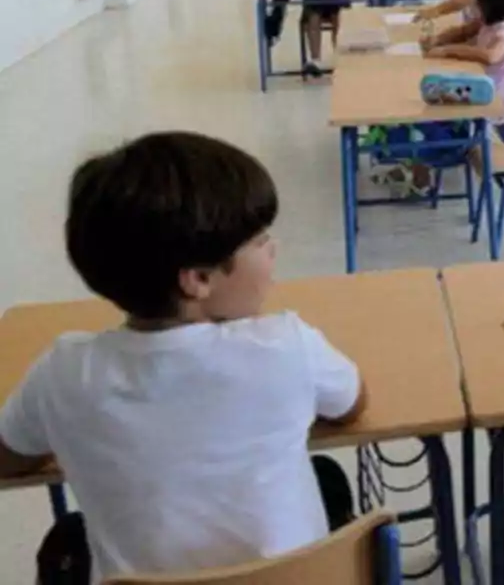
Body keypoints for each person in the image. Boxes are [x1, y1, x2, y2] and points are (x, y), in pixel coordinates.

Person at [0, 132, 366, 583]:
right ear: (197, 279)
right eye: (260, 241)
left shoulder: (63, 372)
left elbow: (8, 456)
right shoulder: (286, 346)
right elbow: (352, 404)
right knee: (326, 477)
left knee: (69, 538)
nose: (274, 251)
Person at [373, 0, 504, 197]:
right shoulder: (494, 18)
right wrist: (437, 40)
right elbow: (465, 31)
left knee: (418, 111)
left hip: (487, 103)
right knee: (417, 94)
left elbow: (490, 55)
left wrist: (448, 51)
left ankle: (420, 174)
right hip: (473, 88)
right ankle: (416, 168)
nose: (474, 3)